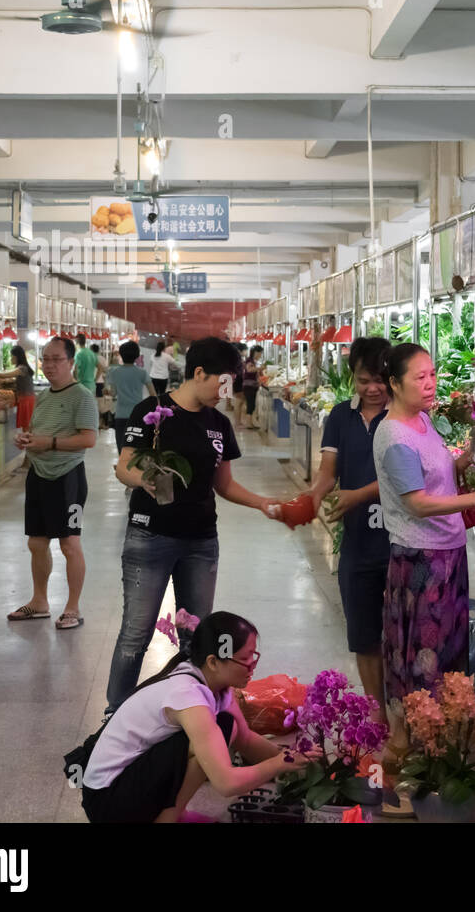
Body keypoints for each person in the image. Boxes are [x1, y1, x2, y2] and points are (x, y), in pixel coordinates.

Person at [106, 337, 285, 714]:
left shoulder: (219, 424)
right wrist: (144, 480)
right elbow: (124, 467)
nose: (227, 393)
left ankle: (192, 714)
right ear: (198, 372)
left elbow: (224, 485)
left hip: (201, 544)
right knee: (136, 634)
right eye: (223, 383)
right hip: (149, 537)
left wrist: (263, 503)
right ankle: (115, 715)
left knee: (196, 638)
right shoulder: (151, 411)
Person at [372, 344, 475, 741]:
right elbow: (416, 503)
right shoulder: (395, 435)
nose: (431, 383)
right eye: (420, 377)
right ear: (395, 385)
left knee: (448, 652)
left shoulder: (421, 422)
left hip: (447, 553)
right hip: (421, 561)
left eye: (432, 374)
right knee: (423, 658)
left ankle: (444, 743)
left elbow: (436, 473)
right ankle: (417, 747)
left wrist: (469, 457)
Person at [82, 612, 307, 823]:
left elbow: (246, 739)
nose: (252, 667)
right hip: (108, 800)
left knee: (226, 727)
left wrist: (302, 763)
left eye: (254, 656)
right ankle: (169, 818)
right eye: (246, 659)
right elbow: (225, 783)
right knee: (213, 739)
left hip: (127, 780)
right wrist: (278, 765)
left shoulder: (215, 683)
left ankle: (171, 813)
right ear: (213, 662)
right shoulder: (188, 696)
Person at [308, 337, 392, 722]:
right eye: (362, 380)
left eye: (379, 379)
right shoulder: (340, 417)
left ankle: (407, 711)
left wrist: (357, 494)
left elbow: (406, 477)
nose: (372, 389)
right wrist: (309, 499)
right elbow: (328, 473)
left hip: (400, 541)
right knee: (363, 633)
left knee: (403, 634)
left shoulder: (406, 416)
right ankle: (377, 714)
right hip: (358, 543)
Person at [7, 337, 98, 629]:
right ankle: (39, 601)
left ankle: (73, 607)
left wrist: (51, 443)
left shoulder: (82, 396)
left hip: (67, 476)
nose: (48, 365)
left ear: (71, 362)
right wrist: (27, 438)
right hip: (38, 473)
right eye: (45, 359)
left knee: (69, 543)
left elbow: (89, 439)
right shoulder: (44, 396)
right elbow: (36, 430)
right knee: (36, 542)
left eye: (55, 359)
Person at [108, 340, 152, 452]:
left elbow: (113, 393)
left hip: (121, 414)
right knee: (136, 449)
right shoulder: (142, 373)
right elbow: (153, 395)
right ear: (137, 355)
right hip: (138, 415)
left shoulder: (114, 372)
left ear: (121, 354)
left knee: (122, 448)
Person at [0, 346, 35, 430]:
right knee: (26, 426)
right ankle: (27, 441)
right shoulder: (22, 368)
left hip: (26, 399)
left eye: (12, 356)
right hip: (25, 399)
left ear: (16, 356)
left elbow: (4, 375)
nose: (11, 358)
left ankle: (28, 441)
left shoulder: (22, 368)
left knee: (27, 426)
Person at [240, 345, 263, 430]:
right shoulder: (249, 361)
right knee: (250, 404)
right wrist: (260, 368)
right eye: (260, 353)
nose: (260, 355)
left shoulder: (253, 360)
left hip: (252, 385)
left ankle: (250, 422)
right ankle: (248, 423)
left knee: (252, 404)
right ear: (256, 352)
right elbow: (249, 370)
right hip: (249, 385)